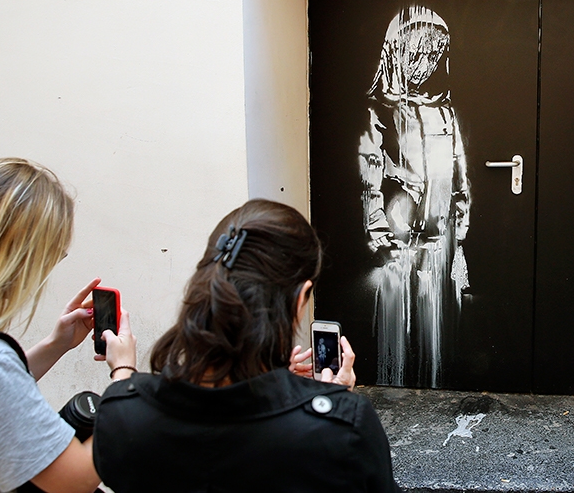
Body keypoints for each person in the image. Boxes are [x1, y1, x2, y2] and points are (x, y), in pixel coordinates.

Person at [93, 199, 400, 492]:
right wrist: (331, 408)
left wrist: (122, 371)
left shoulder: (121, 414)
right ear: (299, 300)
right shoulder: (343, 425)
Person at [0, 158, 137, 493]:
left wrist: (56, 344)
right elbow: (72, 482)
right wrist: (124, 376)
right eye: (54, 254)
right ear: (24, 257)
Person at [358, 5, 471, 388]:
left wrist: (462, 233)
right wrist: (380, 238)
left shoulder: (444, 111)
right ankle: (395, 390)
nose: (425, 64)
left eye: (434, 54)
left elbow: (459, 175)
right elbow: (369, 176)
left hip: (441, 245)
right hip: (397, 247)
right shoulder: (380, 111)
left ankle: (436, 390)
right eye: (418, 53)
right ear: (397, 51)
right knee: (396, 342)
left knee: (437, 337)